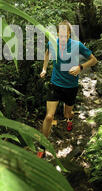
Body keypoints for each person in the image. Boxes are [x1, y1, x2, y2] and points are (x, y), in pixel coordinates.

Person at [38, 20, 97, 158]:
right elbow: (47, 53)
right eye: (60, 35)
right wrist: (44, 69)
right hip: (56, 84)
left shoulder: (78, 45)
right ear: (57, 34)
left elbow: (94, 60)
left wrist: (80, 67)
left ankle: (69, 119)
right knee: (49, 116)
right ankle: (42, 147)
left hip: (71, 86)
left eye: (66, 35)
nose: (63, 38)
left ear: (69, 34)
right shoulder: (53, 42)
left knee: (66, 114)